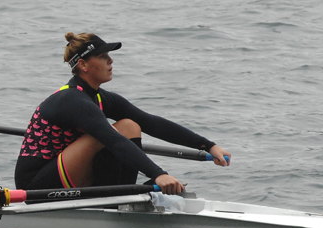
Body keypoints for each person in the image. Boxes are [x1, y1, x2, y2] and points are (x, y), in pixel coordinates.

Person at [15, 32, 231, 195]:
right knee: (112, 132)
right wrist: (159, 174)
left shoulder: (100, 97)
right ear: (83, 65)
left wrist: (208, 145)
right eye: (102, 56)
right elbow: (114, 141)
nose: (110, 61)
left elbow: (151, 123)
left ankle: (121, 192)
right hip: (36, 186)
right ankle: (122, 193)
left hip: (66, 172)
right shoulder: (71, 99)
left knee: (131, 124)